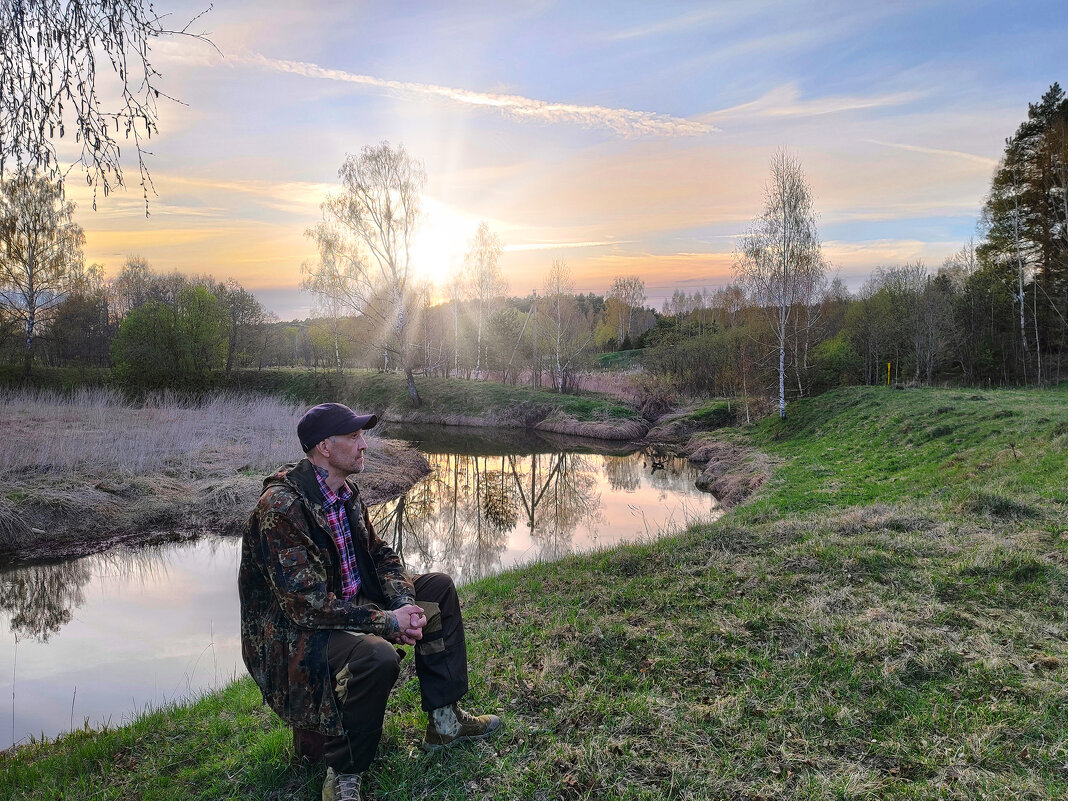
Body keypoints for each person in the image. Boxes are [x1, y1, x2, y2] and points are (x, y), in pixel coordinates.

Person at [239, 402, 500, 801]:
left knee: (439, 588)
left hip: (344, 605)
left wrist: (405, 604)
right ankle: (344, 774)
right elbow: (306, 606)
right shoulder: (281, 507)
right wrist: (387, 622)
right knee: (376, 657)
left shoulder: (345, 493)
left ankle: (445, 722)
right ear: (325, 447)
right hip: (292, 633)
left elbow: (380, 555)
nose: (364, 445)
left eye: (362, 435)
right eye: (354, 436)